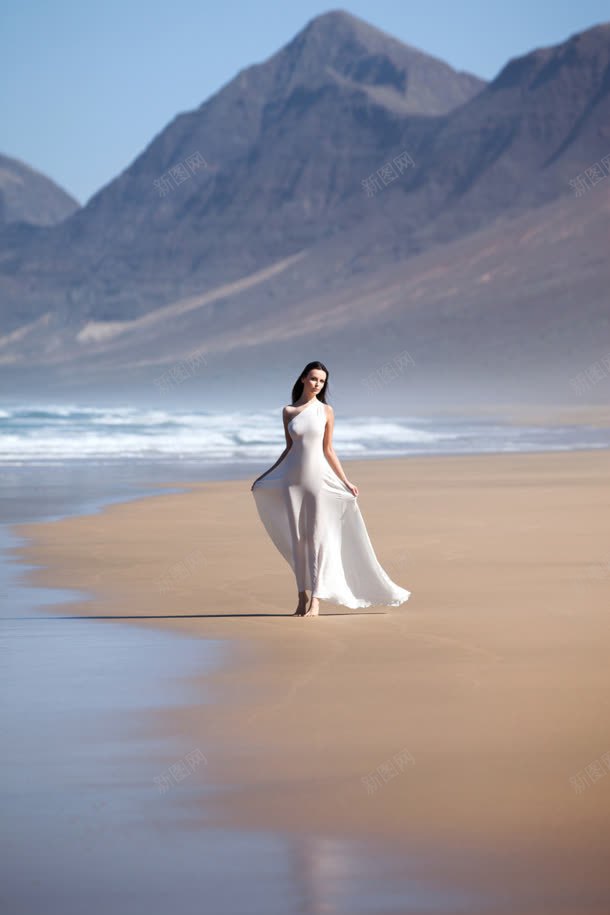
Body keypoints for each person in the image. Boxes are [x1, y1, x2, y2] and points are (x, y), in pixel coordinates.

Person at [251, 361, 411, 616]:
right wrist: (266, 475)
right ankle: (301, 600)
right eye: (313, 379)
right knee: (298, 541)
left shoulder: (326, 411)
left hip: (318, 480)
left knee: (316, 539)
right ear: (303, 378)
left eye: (322, 381)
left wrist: (345, 481)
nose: (317, 384)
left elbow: (328, 450)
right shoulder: (289, 411)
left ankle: (316, 600)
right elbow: (289, 448)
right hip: (291, 482)